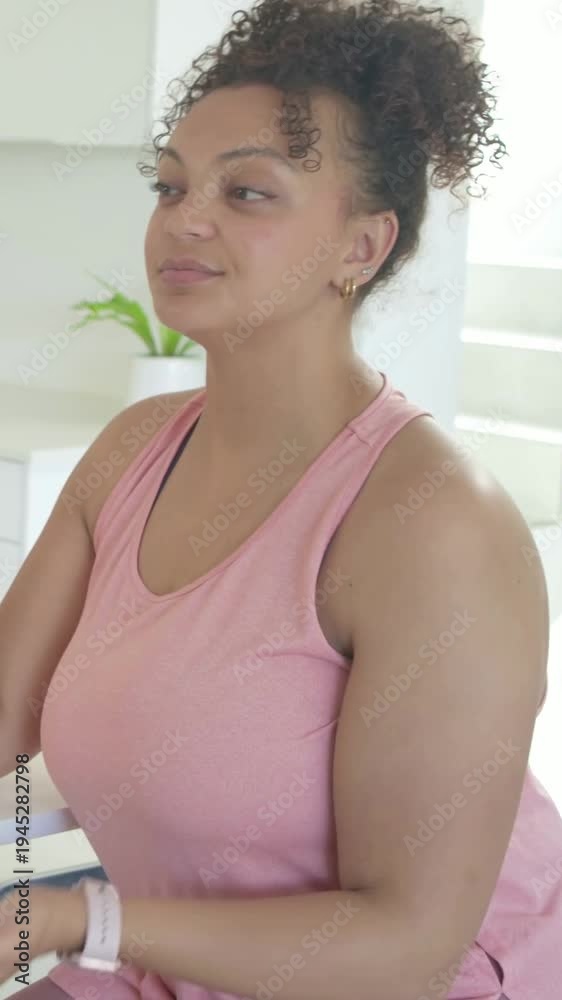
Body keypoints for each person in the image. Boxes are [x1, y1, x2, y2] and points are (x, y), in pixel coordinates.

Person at [0, 0, 558, 997]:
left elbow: (409, 946)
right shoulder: (131, 453)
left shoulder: (434, 523)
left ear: (362, 247)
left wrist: (74, 914)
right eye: (170, 185)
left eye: (248, 191)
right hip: (168, 957)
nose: (185, 218)